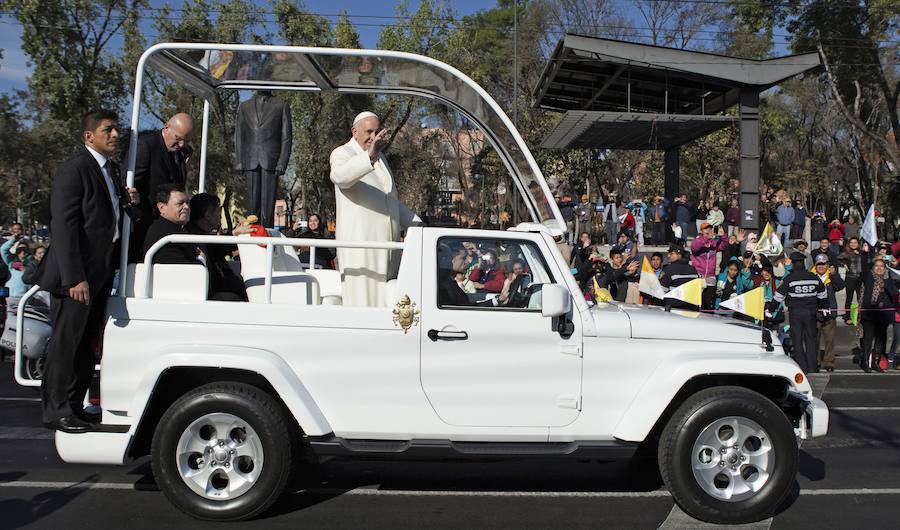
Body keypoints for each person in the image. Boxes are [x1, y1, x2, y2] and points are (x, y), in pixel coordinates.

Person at [36, 109, 140, 433]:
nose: (114, 135)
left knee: (85, 345)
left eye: (116, 130)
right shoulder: (75, 169)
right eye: (107, 130)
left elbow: (107, 218)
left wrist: (128, 202)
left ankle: (74, 405)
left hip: (99, 273)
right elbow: (64, 227)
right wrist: (73, 277)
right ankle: (56, 411)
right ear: (88, 136)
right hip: (75, 278)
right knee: (65, 345)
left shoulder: (112, 171)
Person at [329, 111, 418, 307]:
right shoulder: (342, 153)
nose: (374, 137)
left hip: (387, 248)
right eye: (369, 131)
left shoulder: (380, 158)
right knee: (363, 304)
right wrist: (369, 156)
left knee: (385, 302)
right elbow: (340, 177)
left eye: (377, 131)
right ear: (355, 132)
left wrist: (418, 225)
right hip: (362, 248)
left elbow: (388, 200)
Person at [129, 113, 194, 261]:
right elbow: (129, 185)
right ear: (166, 128)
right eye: (178, 138)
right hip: (146, 227)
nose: (182, 144)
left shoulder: (181, 154)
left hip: (169, 227)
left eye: (186, 141)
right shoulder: (146, 146)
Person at [770, 252, 828, 373]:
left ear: (793, 264)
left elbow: (778, 297)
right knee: (811, 341)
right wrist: (823, 308)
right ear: (804, 263)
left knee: (797, 341)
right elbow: (823, 296)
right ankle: (812, 368)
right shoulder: (814, 277)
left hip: (795, 314)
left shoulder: (790, 279)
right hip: (811, 314)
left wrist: (770, 309)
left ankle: (802, 368)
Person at [187, 193, 250, 301]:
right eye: (218, 211)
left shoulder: (202, 235)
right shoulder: (195, 238)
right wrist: (233, 235)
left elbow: (218, 247)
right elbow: (216, 248)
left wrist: (234, 234)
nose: (220, 216)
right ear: (207, 215)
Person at [858, 252, 897, 372]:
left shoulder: (888, 279)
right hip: (869, 314)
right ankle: (865, 363)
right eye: (877, 266)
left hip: (883, 315)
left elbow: (894, 292)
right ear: (873, 268)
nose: (879, 268)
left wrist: (892, 270)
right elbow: (864, 266)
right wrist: (865, 253)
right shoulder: (869, 277)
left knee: (881, 339)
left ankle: (875, 362)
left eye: (882, 266)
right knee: (868, 338)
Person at [143, 185, 201, 265]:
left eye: (187, 203)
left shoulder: (177, 230)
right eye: (180, 203)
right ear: (161, 208)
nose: (187, 207)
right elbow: (180, 268)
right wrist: (201, 258)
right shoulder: (164, 235)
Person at [812, 253, 844, 372]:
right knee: (814, 339)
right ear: (815, 265)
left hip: (830, 313)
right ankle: (814, 361)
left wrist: (834, 274)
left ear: (827, 265)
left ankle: (829, 362)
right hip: (816, 313)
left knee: (829, 340)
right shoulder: (811, 276)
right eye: (819, 264)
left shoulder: (831, 277)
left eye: (823, 264)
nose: (821, 266)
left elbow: (840, 286)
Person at [691, 223, 728, 309]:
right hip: (699, 275)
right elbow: (694, 248)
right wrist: (705, 238)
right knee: (698, 302)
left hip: (710, 276)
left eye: (709, 228)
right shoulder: (697, 240)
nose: (708, 230)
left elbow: (724, 245)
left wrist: (723, 236)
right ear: (701, 230)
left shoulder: (713, 243)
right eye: (705, 229)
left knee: (708, 303)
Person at [659, 245, 700, 310]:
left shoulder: (669, 269)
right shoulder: (693, 269)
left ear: (679, 255)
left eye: (671, 254)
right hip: (692, 308)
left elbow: (661, 291)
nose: (668, 256)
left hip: (673, 309)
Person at [838, 237, 863, 322]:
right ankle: (848, 317)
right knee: (849, 298)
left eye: (855, 242)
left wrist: (860, 253)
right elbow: (838, 259)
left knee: (861, 298)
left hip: (860, 278)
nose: (853, 244)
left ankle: (860, 315)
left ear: (858, 244)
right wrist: (844, 264)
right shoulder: (846, 253)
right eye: (851, 242)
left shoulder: (861, 252)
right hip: (850, 278)